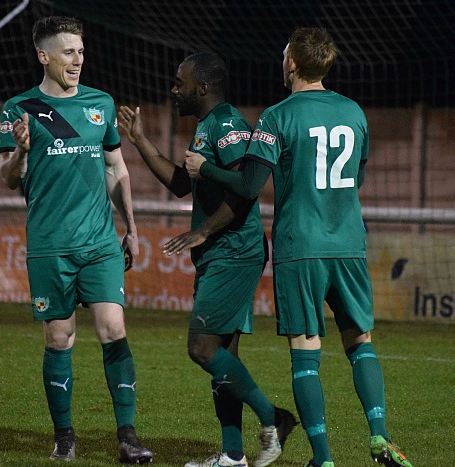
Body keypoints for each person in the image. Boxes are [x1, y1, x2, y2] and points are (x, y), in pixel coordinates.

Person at [181, 27, 412, 467]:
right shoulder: (354, 112)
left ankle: (323, 458)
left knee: (306, 354)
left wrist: (206, 168)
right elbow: (356, 179)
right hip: (348, 243)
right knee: (360, 342)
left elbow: (249, 183)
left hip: (299, 245)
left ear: (292, 63)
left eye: (284, 54)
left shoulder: (277, 116)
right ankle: (379, 437)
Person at [117, 51, 296, 467]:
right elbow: (183, 182)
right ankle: (233, 456)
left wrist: (203, 230)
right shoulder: (206, 127)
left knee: (201, 348)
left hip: (235, 251)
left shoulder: (229, 124)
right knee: (224, 359)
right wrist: (140, 140)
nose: (174, 89)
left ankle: (275, 418)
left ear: (202, 87)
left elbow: (246, 189)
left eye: (180, 82)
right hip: (219, 253)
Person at [0, 16, 153, 463]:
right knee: (59, 339)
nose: (78, 59)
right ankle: (64, 436)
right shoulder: (19, 108)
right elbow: (8, 178)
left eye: (81, 51)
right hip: (50, 244)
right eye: (69, 52)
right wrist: (22, 153)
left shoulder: (100, 103)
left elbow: (116, 169)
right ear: (43, 56)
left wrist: (132, 227)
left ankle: (127, 437)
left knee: (114, 329)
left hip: (100, 241)